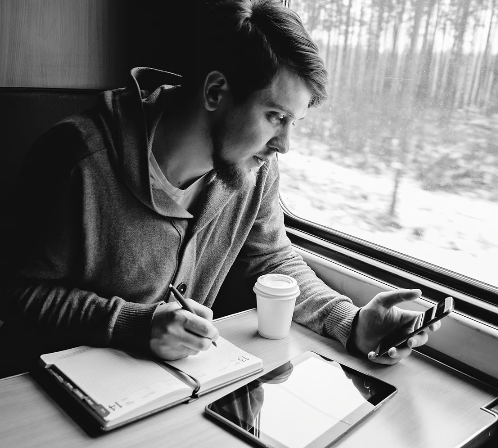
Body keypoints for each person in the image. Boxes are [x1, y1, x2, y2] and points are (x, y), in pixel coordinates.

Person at [0, 0, 439, 376]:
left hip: (176, 386)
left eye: (294, 123)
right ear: (215, 91)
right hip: (56, 391)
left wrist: (351, 321)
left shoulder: (253, 170)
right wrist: (136, 325)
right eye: (274, 117)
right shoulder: (77, 159)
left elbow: (272, 256)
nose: (284, 145)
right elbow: (20, 293)